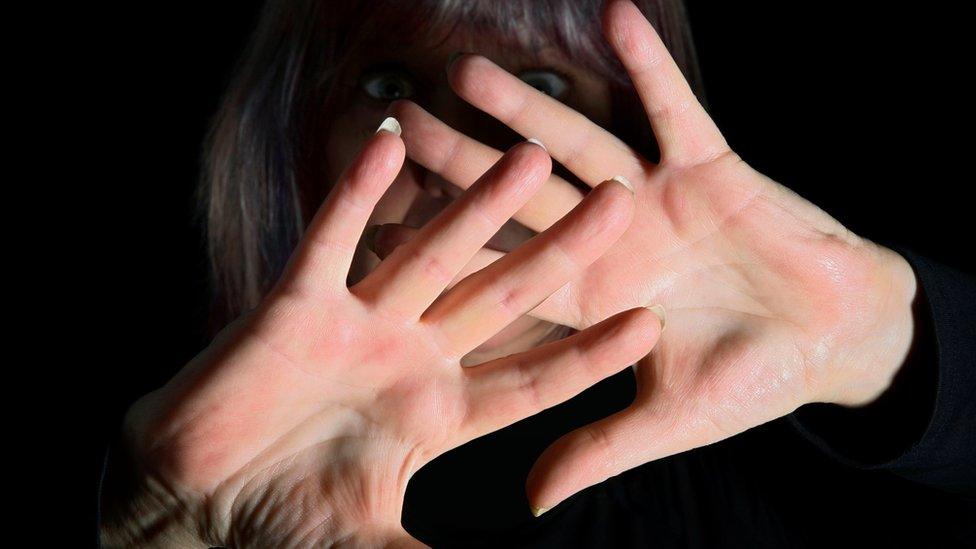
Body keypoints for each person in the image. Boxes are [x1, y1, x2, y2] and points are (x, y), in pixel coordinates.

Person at [98, 0, 976, 546]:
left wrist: (885, 338)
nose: (450, 159)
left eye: (543, 89)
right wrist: (161, 532)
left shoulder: (768, 491)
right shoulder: (163, 433)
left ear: (631, 145)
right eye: (384, 82)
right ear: (293, 143)